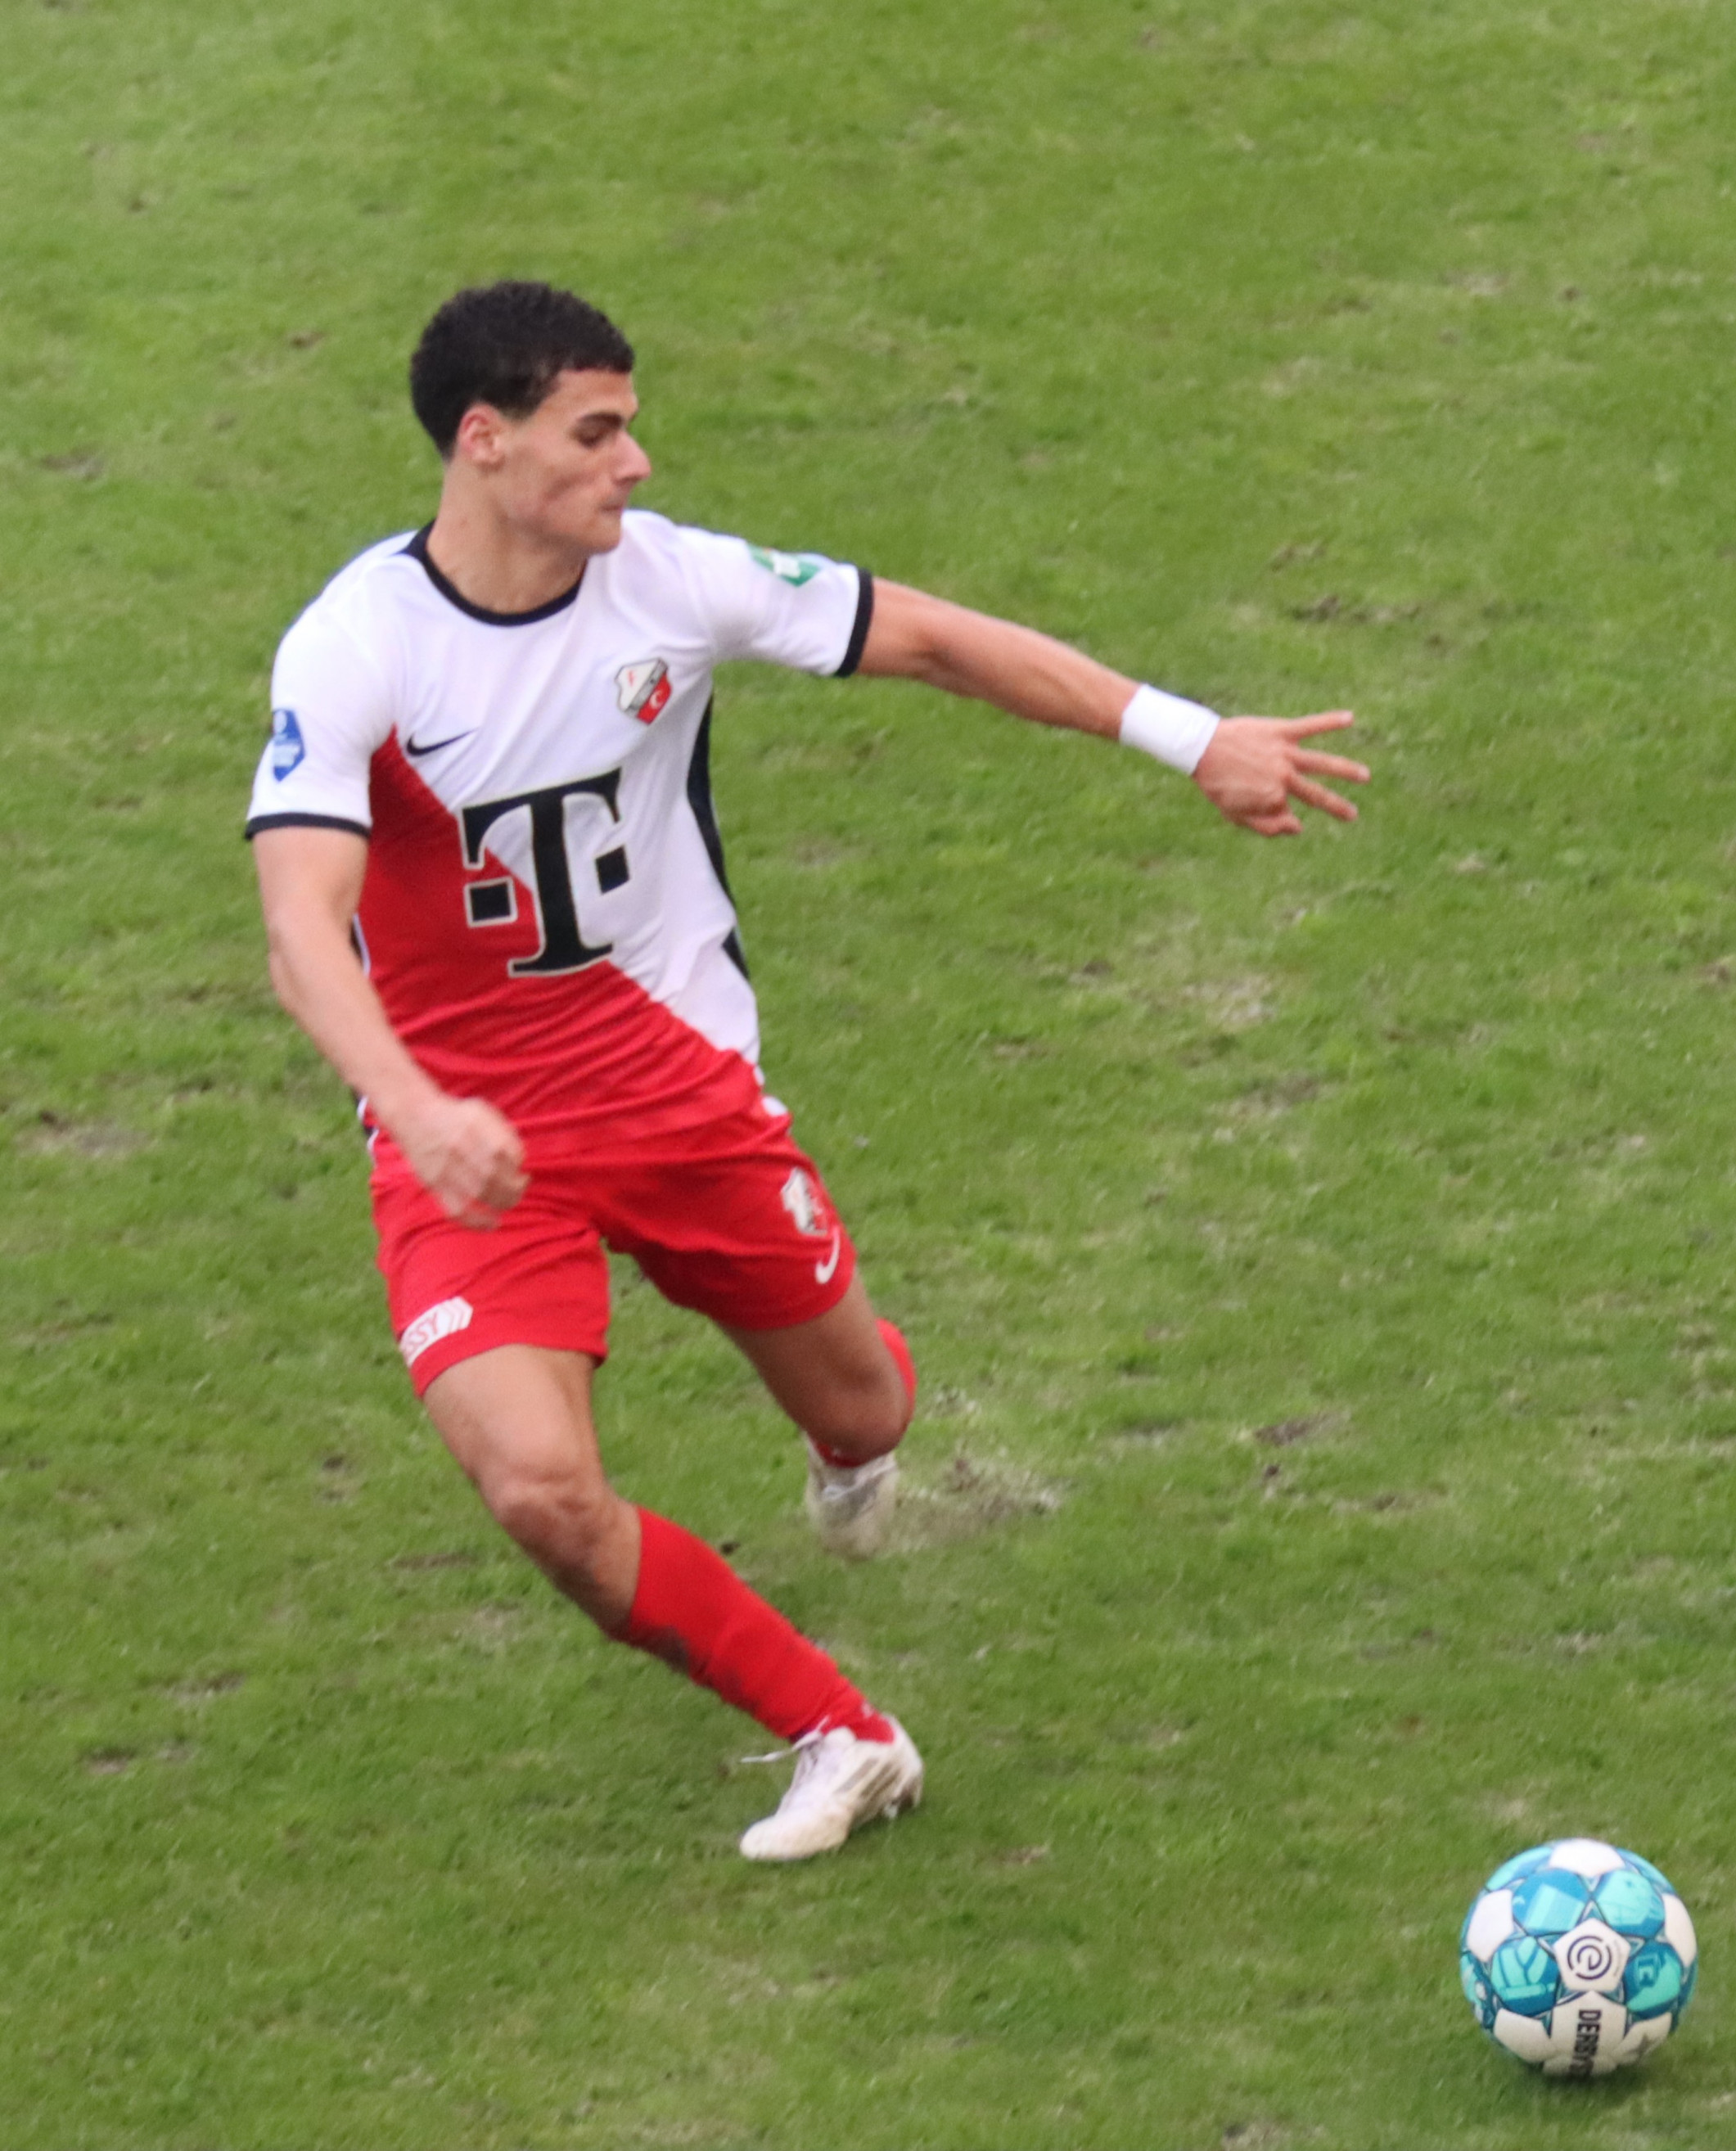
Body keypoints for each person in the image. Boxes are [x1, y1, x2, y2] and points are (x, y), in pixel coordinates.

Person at [247, 282, 1369, 1856]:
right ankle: (844, 1737)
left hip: (671, 1082)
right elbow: (303, 927)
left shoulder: (670, 584)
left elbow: (926, 637)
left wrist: (1194, 739)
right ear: (485, 445)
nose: (635, 463)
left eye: (629, 425)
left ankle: (851, 1452)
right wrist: (420, 1107)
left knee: (868, 1399)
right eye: (599, 431)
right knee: (540, 1495)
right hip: (469, 1133)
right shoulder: (356, 646)